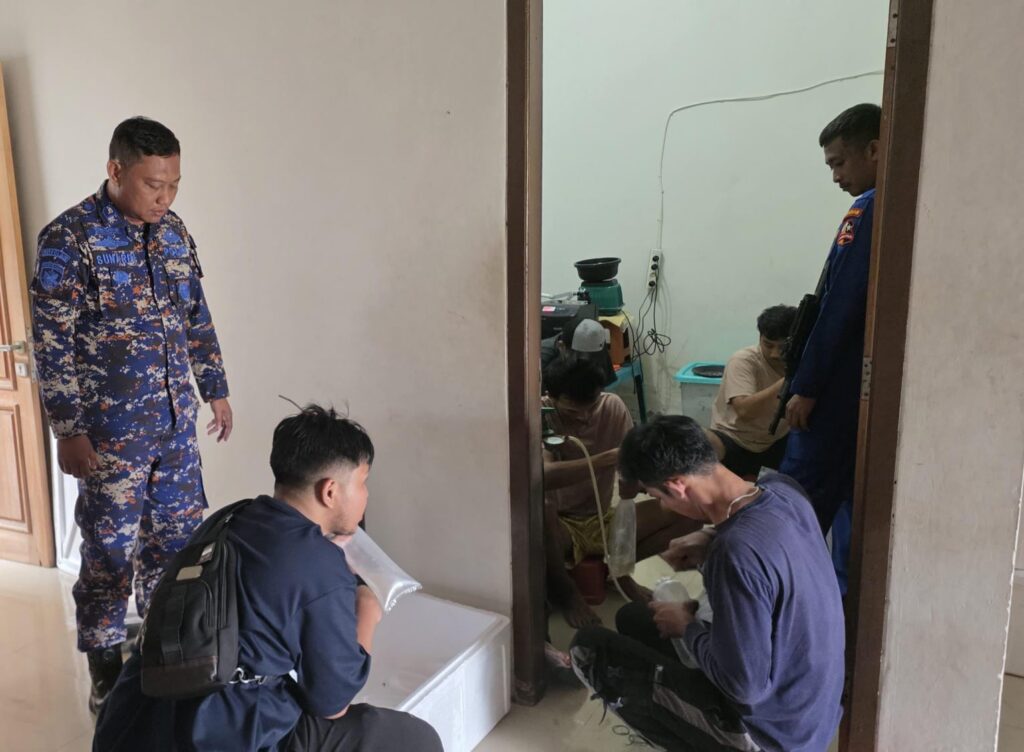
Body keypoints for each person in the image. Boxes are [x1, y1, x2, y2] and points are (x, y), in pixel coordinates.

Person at [93, 405, 443, 751]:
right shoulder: (320, 566)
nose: (366, 494)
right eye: (363, 482)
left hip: (132, 719)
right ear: (330, 491)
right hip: (213, 736)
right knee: (415, 739)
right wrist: (367, 608)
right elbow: (332, 704)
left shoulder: (229, 518)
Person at [30, 116, 233, 712]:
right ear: (115, 170)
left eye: (173, 184)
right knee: (109, 556)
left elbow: (195, 315)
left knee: (177, 550)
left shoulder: (173, 233)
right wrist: (68, 429)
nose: (164, 197)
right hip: (109, 438)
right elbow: (51, 343)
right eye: (152, 184)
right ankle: (103, 669)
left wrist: (215, 387)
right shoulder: (69, 239)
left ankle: (161, 659)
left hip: (174, 430)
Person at [571, 416, 845, 752]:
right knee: (633, 618)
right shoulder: (784, 490)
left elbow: (745, 686)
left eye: (657, 496)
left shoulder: (734, 556)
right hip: (811, 711)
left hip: (773, 734)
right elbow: (761, 538)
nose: (662, 505)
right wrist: (709, 536)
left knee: (589, 648)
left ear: (677, 486)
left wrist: (686, 626)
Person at [779, 103, 881, 594]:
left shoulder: (868, 208)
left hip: (835, 389)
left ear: (874, 150)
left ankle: (773, 596)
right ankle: (837, 606)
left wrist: (807, 386)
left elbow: (837, 304)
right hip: (857, 391)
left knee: (790, 503)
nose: (836, 176)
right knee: (848, 504)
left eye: (839, 163)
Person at [543, 356, 698, 628]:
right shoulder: (542, 414)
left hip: (601, 517)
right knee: (542, 510)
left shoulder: (611, 406)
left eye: (590, 407)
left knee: (690, 509)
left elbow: (632, 466)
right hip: (560, 525)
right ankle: (567, 593)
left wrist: (638, 481)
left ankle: (619, 574)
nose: (584, 417)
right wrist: (606, 459)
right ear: (552, 398)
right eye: (572, 411)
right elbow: (545, 475)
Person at [707, 305, 797, 478]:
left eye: (782, 347)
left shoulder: (803, 362)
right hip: (733, 438)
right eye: (768, 345)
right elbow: (745, 411)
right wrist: (787, 380)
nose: (775, 354)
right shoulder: (744, 360)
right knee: (705, 444)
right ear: (760, 337)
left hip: (774, 441)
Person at [540, 312, 616, 387]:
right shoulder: (540, 357)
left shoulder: (598, 350)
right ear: (561, 347)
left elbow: (604, 386)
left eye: (592, 355)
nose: (588, 360)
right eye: (582, 356)